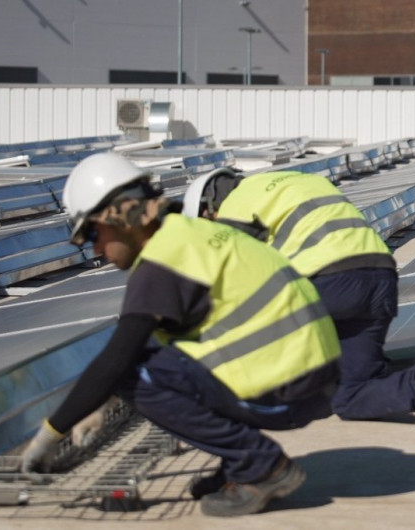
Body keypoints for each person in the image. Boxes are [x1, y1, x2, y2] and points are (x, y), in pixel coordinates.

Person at [21, 153, 341, 517]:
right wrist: (100, 406)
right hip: (313, 380)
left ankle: (260, 465)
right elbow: (155, 342)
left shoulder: (162, 261)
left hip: (287, 388)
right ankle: (238, 466)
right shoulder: (192, 234)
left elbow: (117, 359)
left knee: (136, 376)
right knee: (157, 362)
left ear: (120, 217)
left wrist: (50, 435)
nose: (95, 249)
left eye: (93, 233)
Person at [182, 168, 415, 432]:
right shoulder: (304, 180)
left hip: (325, 282)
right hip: (381, 279)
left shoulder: (236, 205)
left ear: (209, 209)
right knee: (351, 395)